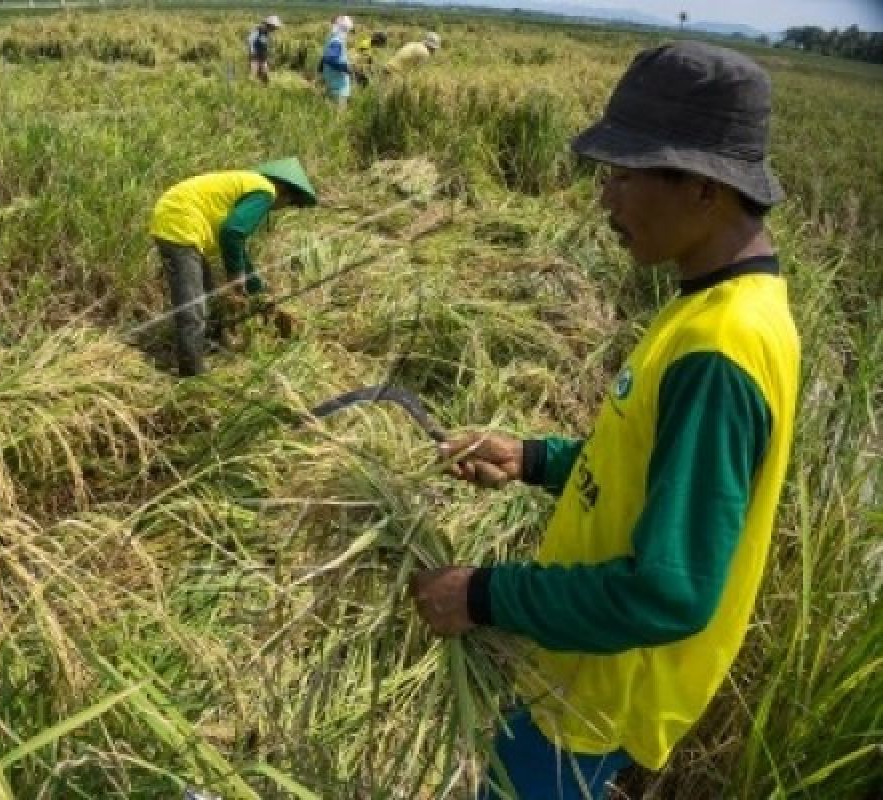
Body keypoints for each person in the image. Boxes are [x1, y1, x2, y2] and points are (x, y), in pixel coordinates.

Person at [410, 42, 799, 799]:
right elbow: (647, 460)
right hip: (575, 675)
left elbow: (668, 593)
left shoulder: (722, 345)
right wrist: (534, 457)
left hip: (590, 700)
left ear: (703, 188)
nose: (606, 199)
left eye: (624, 174)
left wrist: (480, 595)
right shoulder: (711, 304)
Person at [149, 158, 317, 377]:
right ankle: (192, 374)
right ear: (285, 190)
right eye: (291, 203)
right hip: (180, 223)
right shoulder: (266, 191)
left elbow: (238, 247)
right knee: (193, 308)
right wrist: (235, 278)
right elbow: (233, 233)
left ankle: (209, 350)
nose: (281, 207)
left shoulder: (251, 183)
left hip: (178, 219)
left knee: (208, 297)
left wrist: (258, 292)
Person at [318, 15, 354, 109]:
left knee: (329, 110)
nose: (347, 33)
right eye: (347, 30)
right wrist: (347, 68)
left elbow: (324, 58)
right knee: (339, 113)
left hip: (331, 80)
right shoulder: (337, 41)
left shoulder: (330, 38)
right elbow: (330, 58)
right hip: (339, 85)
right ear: (344, 29)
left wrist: (320, 74)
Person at [247, 14, 282, 85]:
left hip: (263, 55)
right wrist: (252, 51)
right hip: (255, 55)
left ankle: (264, 86)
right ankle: (250, 86)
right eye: (274, 27)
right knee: (254, 71)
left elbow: (266, 44)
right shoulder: (258, 31)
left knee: (265, 71)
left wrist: (270, 53)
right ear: (269, 25)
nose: (274, 29)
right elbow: (250, 40)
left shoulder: (266, 32)